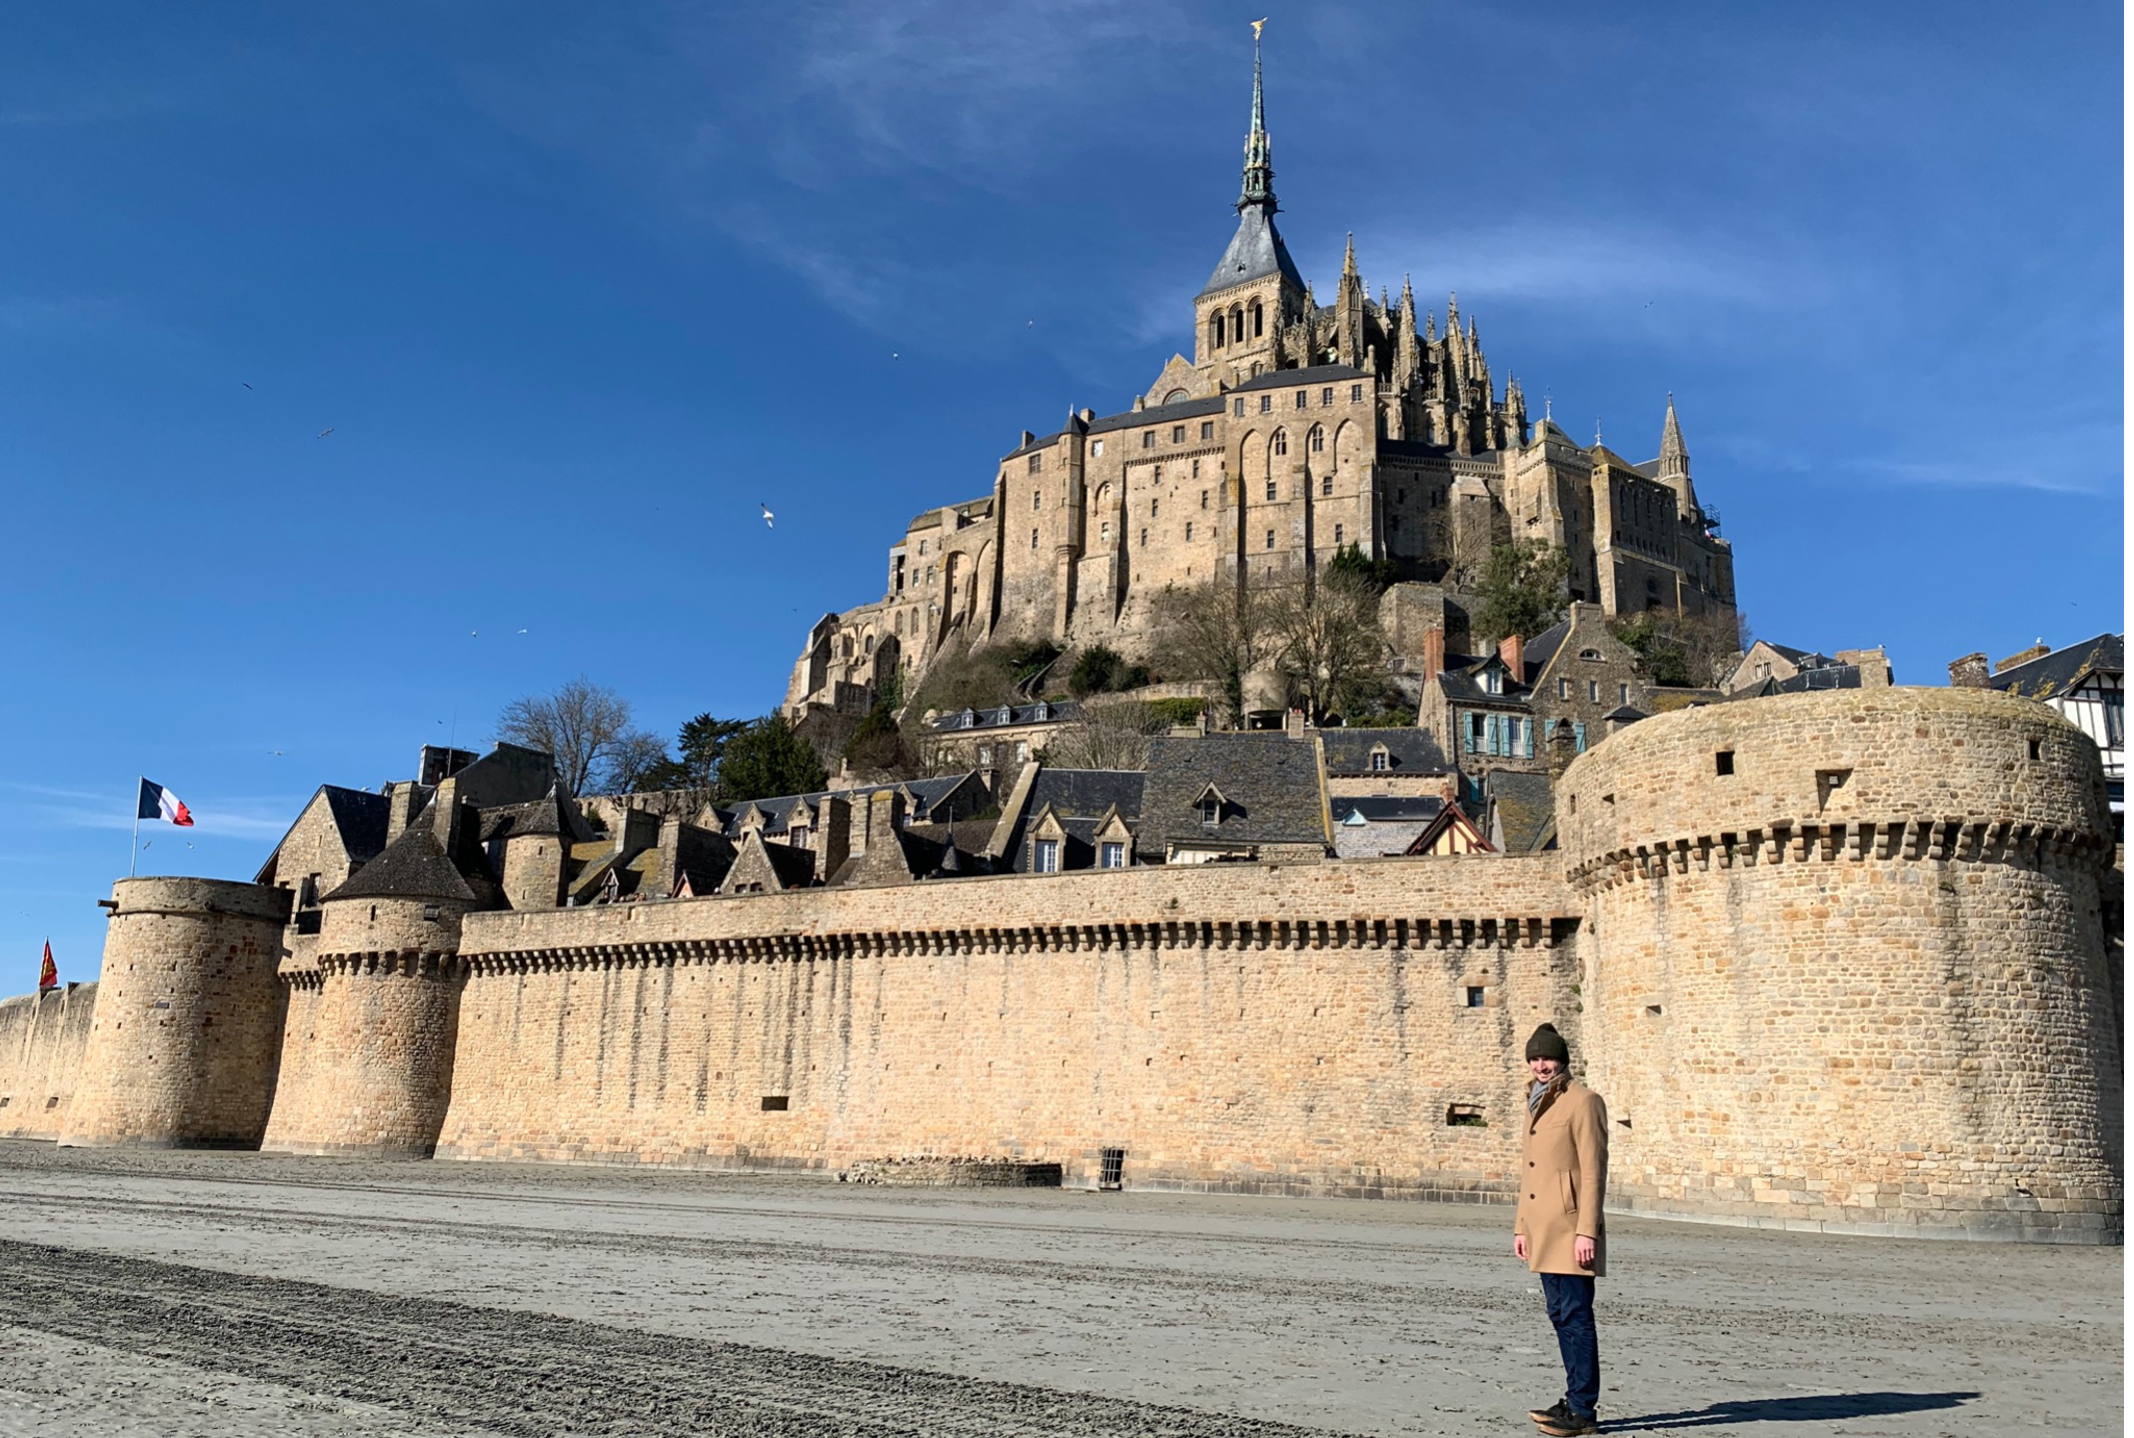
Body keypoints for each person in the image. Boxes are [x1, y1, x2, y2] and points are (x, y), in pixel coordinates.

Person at [1513, 1022, 1607, 1436]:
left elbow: (1593, 1170)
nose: (1541, 1065)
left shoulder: (1584, 1101)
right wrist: (1521, 1228)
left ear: (1563, 1060)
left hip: (1570, 1230)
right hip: (1542, 1229)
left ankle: (1583, 1411)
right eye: (1535, 1058)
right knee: (1560, 1315)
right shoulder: (1535, 1102)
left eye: (1547, 1057)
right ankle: (1573, 1400)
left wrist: (1587, 1231)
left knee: (1575, 1317)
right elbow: (1530, 1174)